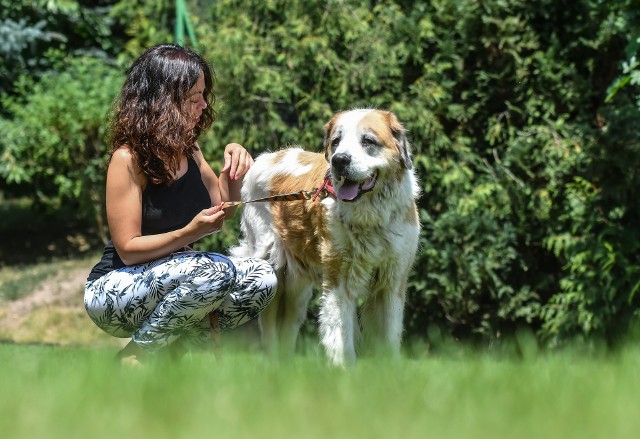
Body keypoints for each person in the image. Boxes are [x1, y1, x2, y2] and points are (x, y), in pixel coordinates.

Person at [84, 43, 277, 364]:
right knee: (212, 270)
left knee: (262, 276)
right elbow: (128, 248)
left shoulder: (191, 148)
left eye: (204, 95)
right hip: (113, 290)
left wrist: (234, 163)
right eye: (193, 98)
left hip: (183, 278)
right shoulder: (127, 159)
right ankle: (138, 354)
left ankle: (173, 350)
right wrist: (187, 233)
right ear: (164, 102)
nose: (204, 105)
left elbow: (222, 209)